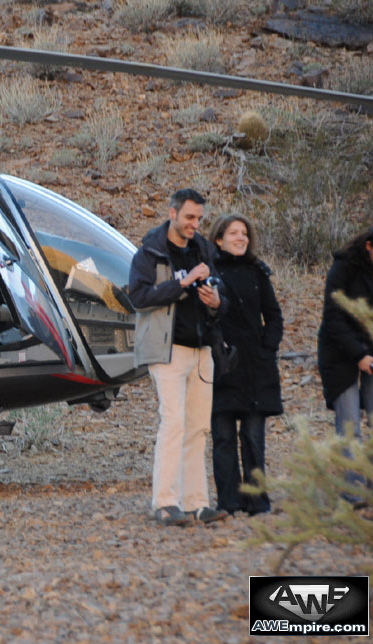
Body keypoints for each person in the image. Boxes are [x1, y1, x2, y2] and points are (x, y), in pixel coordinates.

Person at [128, 188, 229, 527]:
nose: (194, 224)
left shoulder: (203, 250)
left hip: (203, 351)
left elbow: (221, 295)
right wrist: (183, 283)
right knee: (173, 423)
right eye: (189, 217)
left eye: (199, 219)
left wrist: (216, 301)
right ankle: (165, 502)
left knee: (198, 427)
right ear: (172, 213)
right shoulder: (150, 253)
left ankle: (196, 503)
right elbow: (139, 298)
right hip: (167, 351)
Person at [209, 215, 283, 515]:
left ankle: (257, 500)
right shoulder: (209, 270)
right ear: (218, 239)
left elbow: (274, 315)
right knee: (223, 437)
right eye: (233, 233)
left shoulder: (257, 272)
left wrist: (268, 347)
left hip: (255, 367)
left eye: (245, 234)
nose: (241, 238)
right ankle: (229, 501)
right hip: (222, 365)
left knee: (253, 438)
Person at [317, 224, 373, 504]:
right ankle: (353, 494)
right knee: (350, 421)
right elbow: (333, 317)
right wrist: (358, 355)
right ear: (369, 246)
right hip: (340, 354)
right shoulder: (343, 267)